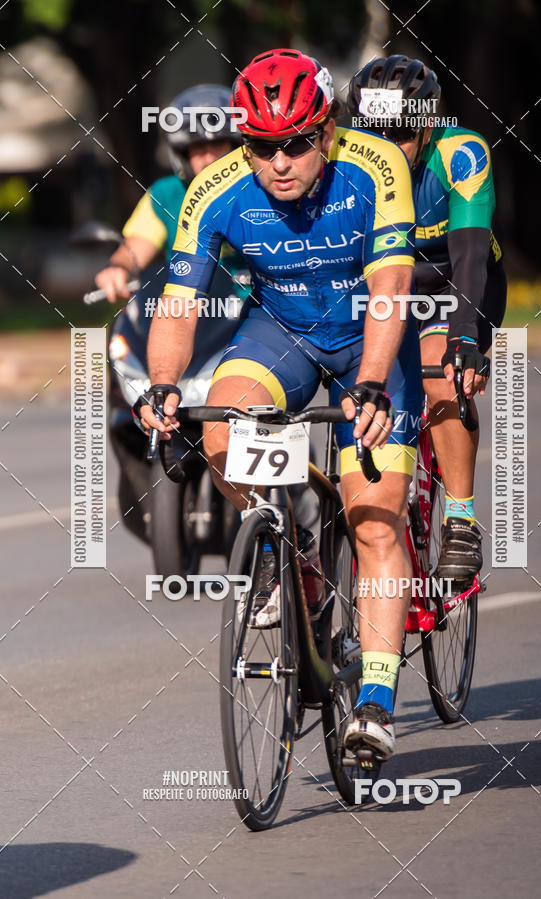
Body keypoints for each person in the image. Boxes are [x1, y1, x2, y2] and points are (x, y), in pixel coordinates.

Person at [137, 48, 422, 760]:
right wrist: (164, 384)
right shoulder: (215, 189)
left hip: (371, 335)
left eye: (296, 142)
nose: (280, 162)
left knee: (373, 515)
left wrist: (372, 383)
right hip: (283, 332)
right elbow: (176, 304)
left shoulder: (377, 167)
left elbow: (391, 289)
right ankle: (288, 557)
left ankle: (378, 700)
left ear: (326, 131)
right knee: (223, 430)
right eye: (261, 146)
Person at [348, 56, 507, 583]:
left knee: (442, 377)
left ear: (428, 125)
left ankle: (460, 519)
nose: (386, 148)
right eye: (373, 133)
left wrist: (465, 339)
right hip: (383, 286)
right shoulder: (343, 160)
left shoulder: (460, 154)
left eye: (399, 135)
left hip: (452, 282)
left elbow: (470, 260)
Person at [94, 83, 243, 303]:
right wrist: (118, 268)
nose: (209, 159)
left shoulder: (261, 189)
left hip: (255, 316)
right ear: (182, 154)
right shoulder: (165, 194)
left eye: (218, 145)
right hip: (189, 313)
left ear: (236, 147)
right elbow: (135, 249)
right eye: (199, 148)